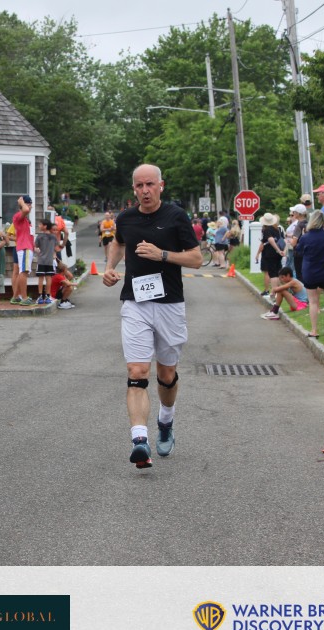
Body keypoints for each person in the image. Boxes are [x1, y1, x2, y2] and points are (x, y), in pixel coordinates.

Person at [102, 164, 201, 469]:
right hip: (135, 303)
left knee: (166, 375)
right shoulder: (126, 218)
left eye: (150, 185)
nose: (144, 191)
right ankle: (139, 441)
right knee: (137, 370)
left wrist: (162, 255)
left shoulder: (176, 217)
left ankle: (166, 422)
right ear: (134, 189)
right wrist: (110, 268)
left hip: (169, 304)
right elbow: (118, 242)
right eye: (139, 186)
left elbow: (196, 259)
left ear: (161, 186)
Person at [295, 210, 324, 339]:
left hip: (310, 271)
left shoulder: (305, 237)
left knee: (313, 301)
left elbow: (299, 251)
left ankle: (314, 330)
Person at [9, 195, 34, 305]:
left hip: (27, 247)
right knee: (23, 272)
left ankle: (15, 297)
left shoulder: (26, 220)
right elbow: (26, 210)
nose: (31, 206)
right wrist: (21, 202)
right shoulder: (18, 216)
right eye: (29, 204)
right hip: (24, 248)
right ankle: (24, 297)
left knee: (22, 272)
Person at [255, 213, 284, 296]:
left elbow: (270, 240)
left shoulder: (267, 230)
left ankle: (273, 292)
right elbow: (283, 240)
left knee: (272, 273)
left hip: (270, 253)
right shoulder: (278, 229)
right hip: (277, 254)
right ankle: (278, 291)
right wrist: (281, 251)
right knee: (277, 272)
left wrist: (277, 250)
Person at [34, 219, 57, 304]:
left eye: (40, 224)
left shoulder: (40, 236)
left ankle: (40, 296)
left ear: (45, 226)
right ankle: (47, 296)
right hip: (50, 261)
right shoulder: (53, 237)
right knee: (48, 278)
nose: (39, 226)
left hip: (41, 260)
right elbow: (55, 248)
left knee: (41, 278)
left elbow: (35, 246)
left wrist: (36, 250)